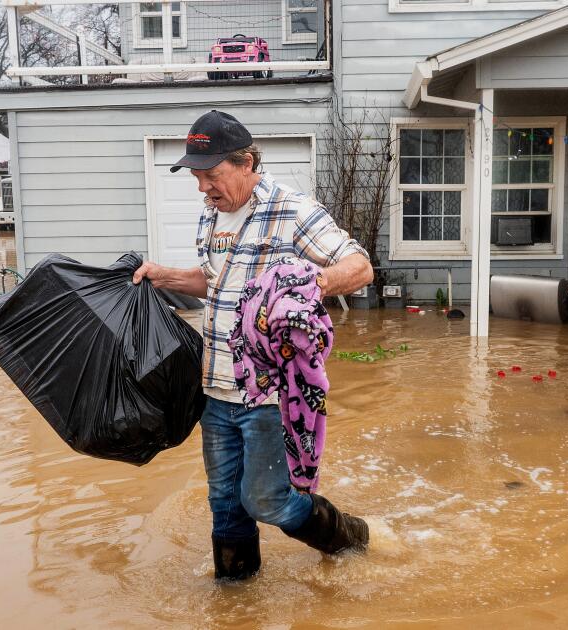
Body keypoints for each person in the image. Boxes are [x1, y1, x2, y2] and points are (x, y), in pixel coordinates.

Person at [132, 110, 374, 581]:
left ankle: (350, 537)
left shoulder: (293, 210)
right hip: (215, 387)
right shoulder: (211, 216)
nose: (203, 187)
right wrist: (165, 276)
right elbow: (215, 282)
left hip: (268, 394)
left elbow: (360, 267)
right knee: (224, 502)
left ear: (246, 163)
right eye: (197, 177)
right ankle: (236, 599)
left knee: (266, 499)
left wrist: (304, 284)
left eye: (211, 175)